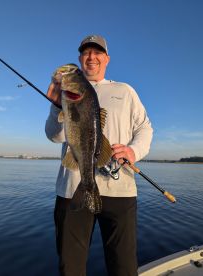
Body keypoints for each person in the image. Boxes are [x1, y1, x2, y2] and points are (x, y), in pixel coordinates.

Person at [45, 35, 153, 276]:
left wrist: (133, 151)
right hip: (72, 187)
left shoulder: (124, 91)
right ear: (80, 58)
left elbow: (144, 128)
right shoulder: (67, 93)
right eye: (85, 53)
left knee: (123, 266)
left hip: (120, 188)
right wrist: (55, 106)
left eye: (97, 52)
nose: (91, 57)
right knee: (70, 266)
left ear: (107, 59)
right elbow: (54, 136)